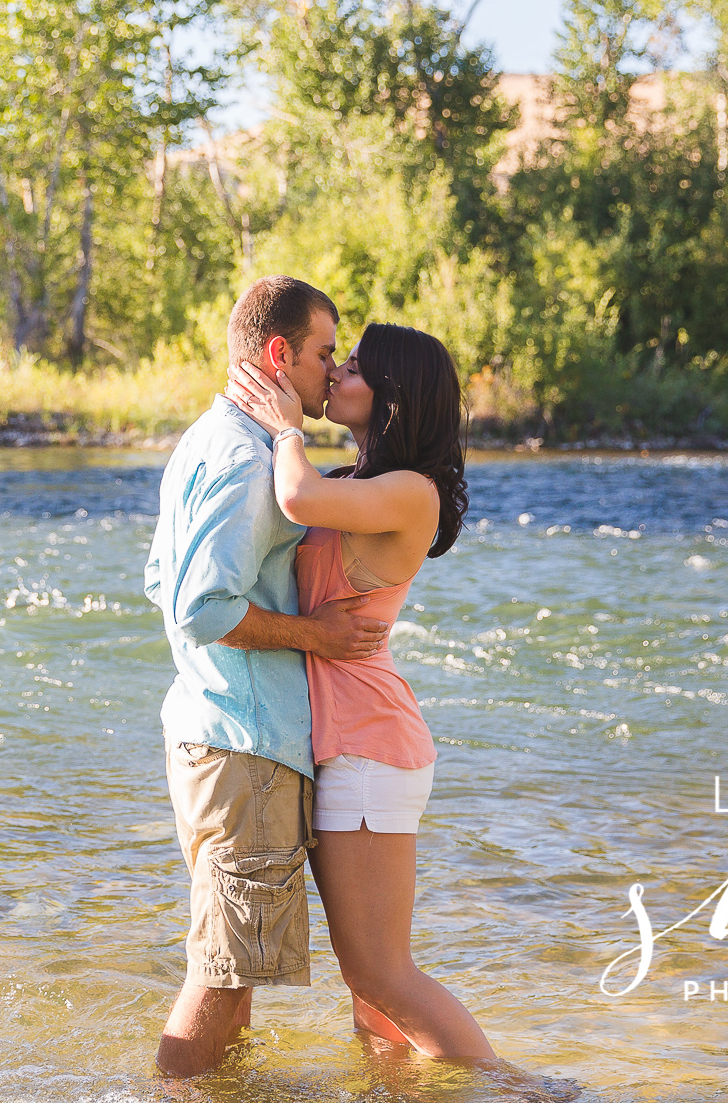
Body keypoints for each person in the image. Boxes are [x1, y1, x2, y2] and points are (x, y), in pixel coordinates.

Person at [227, 322, 572, 1095]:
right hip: (342, 740)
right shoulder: (363, 479)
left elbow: (295, 494)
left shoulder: (410, 490)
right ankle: (395, 1088)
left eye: (354, 364)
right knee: (368, 985)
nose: (339, 369)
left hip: (369, 748)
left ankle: (522, 1089)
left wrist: (283, 426)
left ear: (389, 395)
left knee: (380, 970)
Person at [143, 275, 393, 1079]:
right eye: (326, 352)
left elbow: (159, 579)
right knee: (222, 975)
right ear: (280, 354)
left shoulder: (204, 438)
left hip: (212, 732)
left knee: (234, 966)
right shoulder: (250, 462)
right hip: (242, 745)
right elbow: (198, 607)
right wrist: (314, 632)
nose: (333, 369)